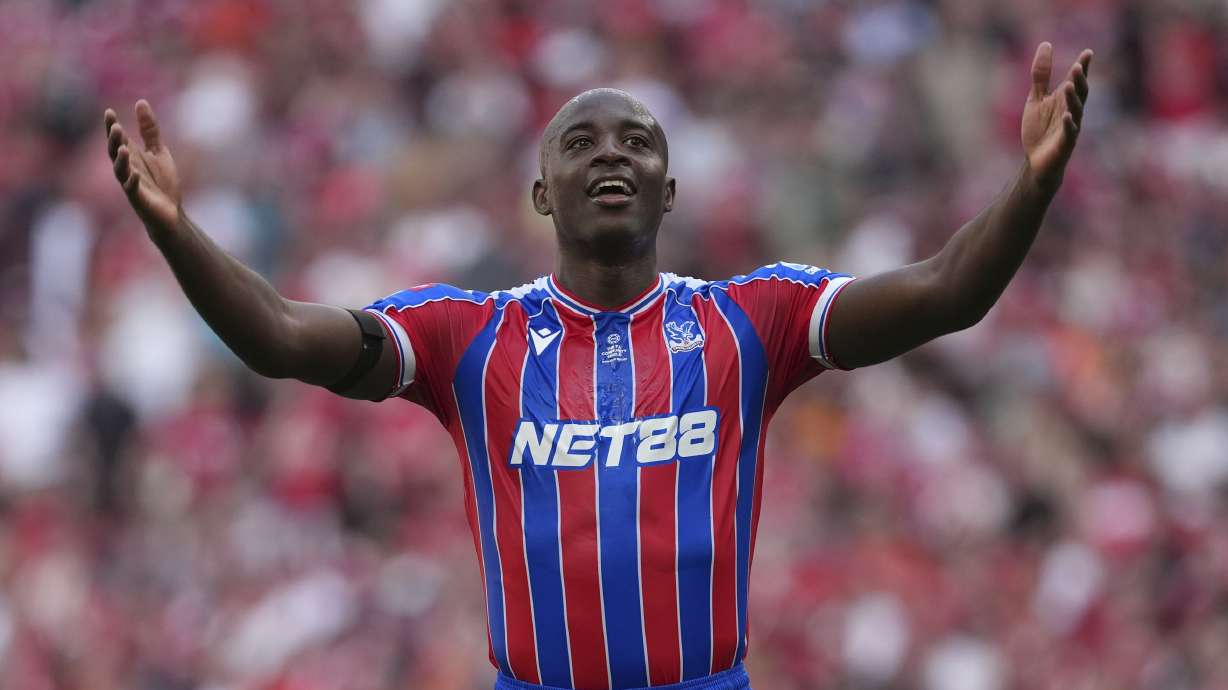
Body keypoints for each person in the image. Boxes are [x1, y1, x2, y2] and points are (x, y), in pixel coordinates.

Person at [104, 41, 1092, 690]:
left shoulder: (752, 320)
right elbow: (280, 336)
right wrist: (176, 231)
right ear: (543, 192)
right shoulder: (465, 337)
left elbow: (946, 291)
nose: (611, 156)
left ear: (670, 189)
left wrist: (1032, 187)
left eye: (637, 143)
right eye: (580, 143)